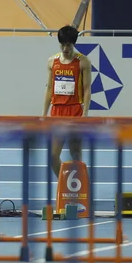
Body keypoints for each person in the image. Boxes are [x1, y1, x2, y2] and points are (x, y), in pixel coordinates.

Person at [42, 25, 92, 179]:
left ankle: (83, 187)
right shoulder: (52, 61)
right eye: (62, 45)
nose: (65, 48)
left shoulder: (83, 62)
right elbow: (49, 88)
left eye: (68, 45)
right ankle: (65, 184)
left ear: (73, 44)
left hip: (74, 112)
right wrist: (44, 114)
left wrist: (84, 115)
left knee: (76, 154)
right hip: (57, 112)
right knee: (52, 157)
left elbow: (87, 89)